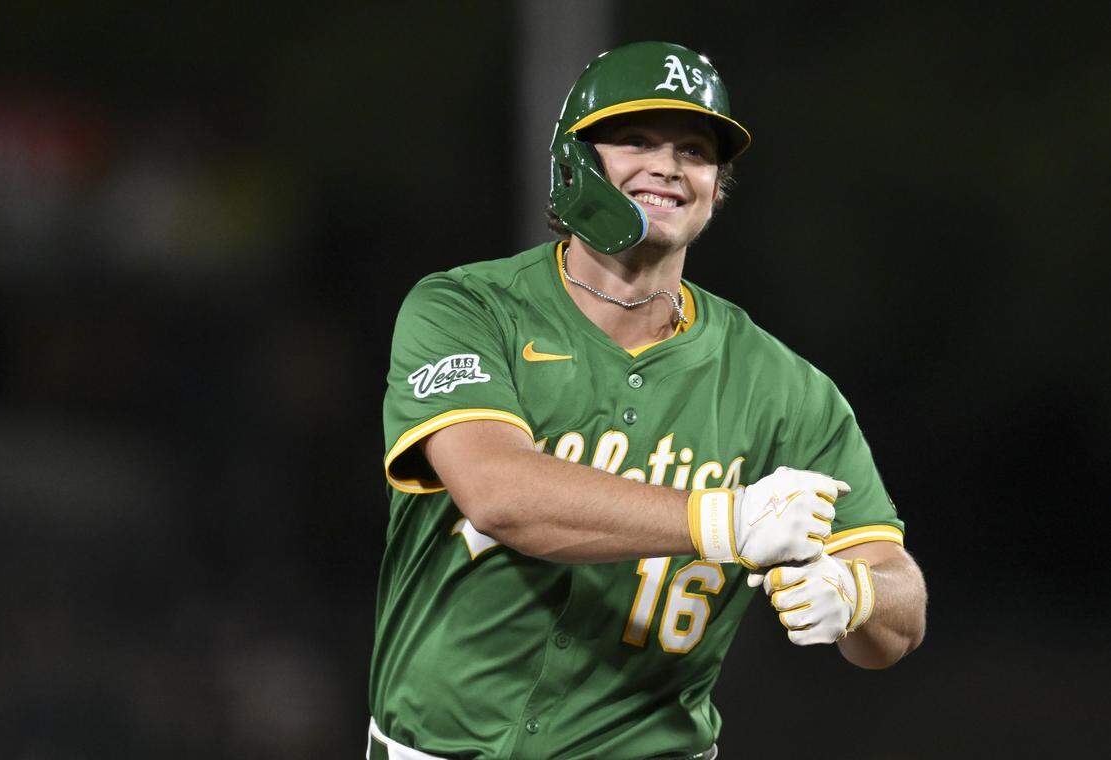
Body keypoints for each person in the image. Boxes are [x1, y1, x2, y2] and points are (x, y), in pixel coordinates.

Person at [370, 41, 926, 760]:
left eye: (695, 151)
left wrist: (858, 596)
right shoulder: (467, 308)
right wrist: (726, 520)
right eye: (636, 139)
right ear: (576, 161)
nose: (667, 166)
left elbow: (899, 604)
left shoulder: (785, 389)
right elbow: (498, 492)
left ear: (716, 186)